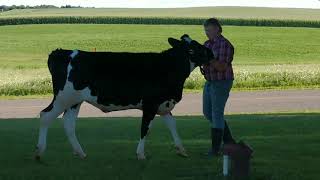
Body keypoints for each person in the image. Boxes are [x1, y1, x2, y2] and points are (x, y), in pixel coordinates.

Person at [201, 18, 236, 157]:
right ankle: (229, 141)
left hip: (222, 82)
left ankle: (215, 149)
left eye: (208, 30)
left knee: (216, 114)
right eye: (205, 30)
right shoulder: (207, 44)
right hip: (210, 82)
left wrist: (207, 59)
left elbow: (221, 67)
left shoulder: (225, 45)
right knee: (207, 113)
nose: (206, 33)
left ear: (217, 29)